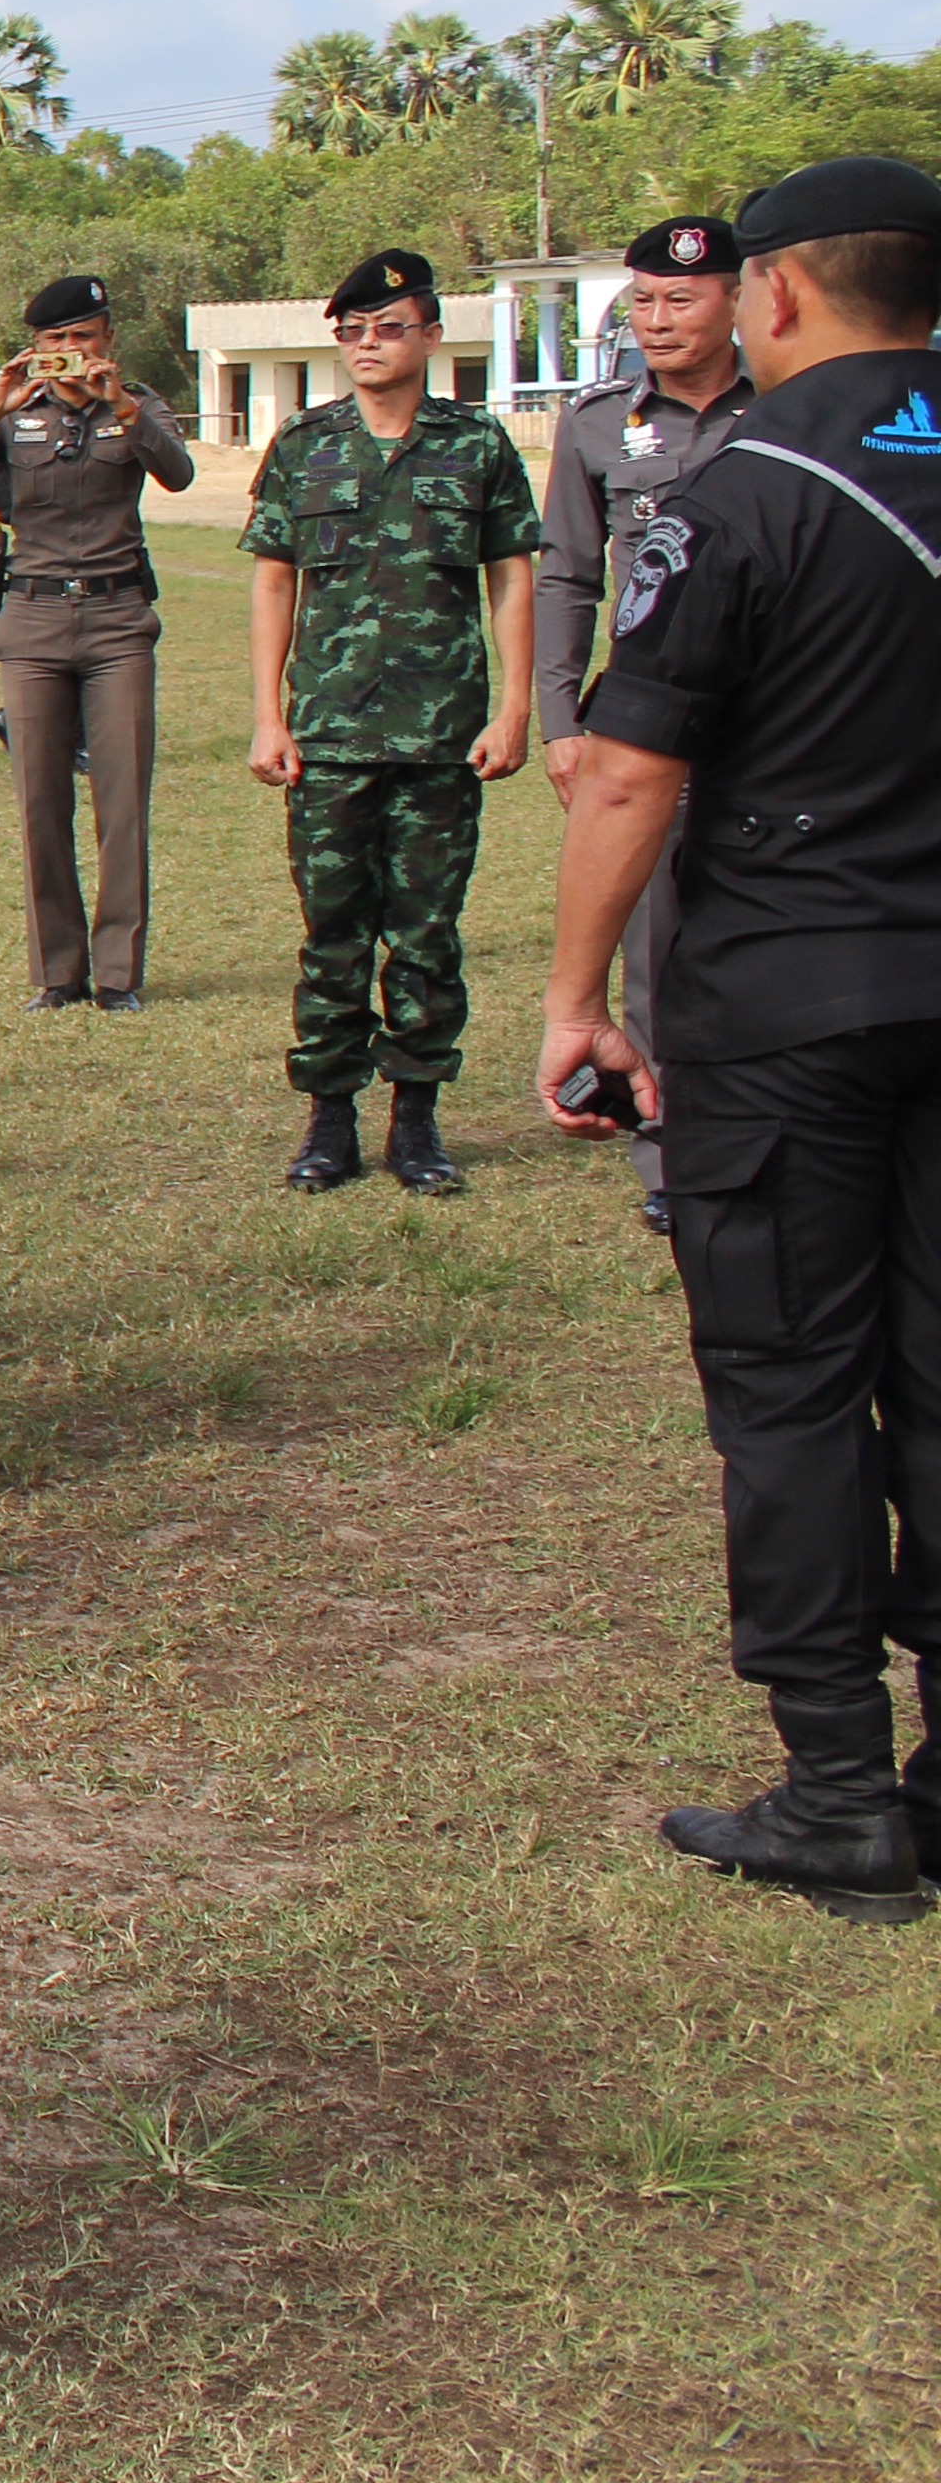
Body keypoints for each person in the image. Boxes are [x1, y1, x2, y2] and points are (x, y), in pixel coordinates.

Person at [538, 154, 941, 1927]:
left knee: (787, 1386)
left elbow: (629, 764)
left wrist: (569, 1000)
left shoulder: (747, 488)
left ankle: (835, 1788)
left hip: (787, 1005)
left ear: (772, 294)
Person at [239, 249, 542, 1195]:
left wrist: (515, 706)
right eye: (352, 331)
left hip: (442, 733)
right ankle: (330, 1120)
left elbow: (512, 577)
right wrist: (267, 716)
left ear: (429, 336)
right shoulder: (304, 443)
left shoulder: (476, 443)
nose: (367, 345)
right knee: (332, 931)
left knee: (426, 935)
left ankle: (418, 1122)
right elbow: (273, 578)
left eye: (388, 327)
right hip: (328, 734)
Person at [534, 216, 752, 1236]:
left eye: (682, 300)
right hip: (651, 719)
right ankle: (668, 1151)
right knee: (653, 941)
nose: (659, 321)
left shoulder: (790, 410)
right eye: (645, 303)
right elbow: (570, 576)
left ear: (740, 300)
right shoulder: (595, 423)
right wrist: (559, 716)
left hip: (774, 716)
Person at [0, 271, 191, 1013]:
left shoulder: (134, 404)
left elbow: (179, 474)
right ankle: (57, 972)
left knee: (122, 802)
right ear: (33, 348)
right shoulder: (14, 412)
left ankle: (117, 974)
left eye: (81, 338)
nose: (69, 351)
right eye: (53, 341)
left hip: (117, 621)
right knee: (40, 802)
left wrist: (123, 406)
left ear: (107, 341)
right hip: (33, 622)